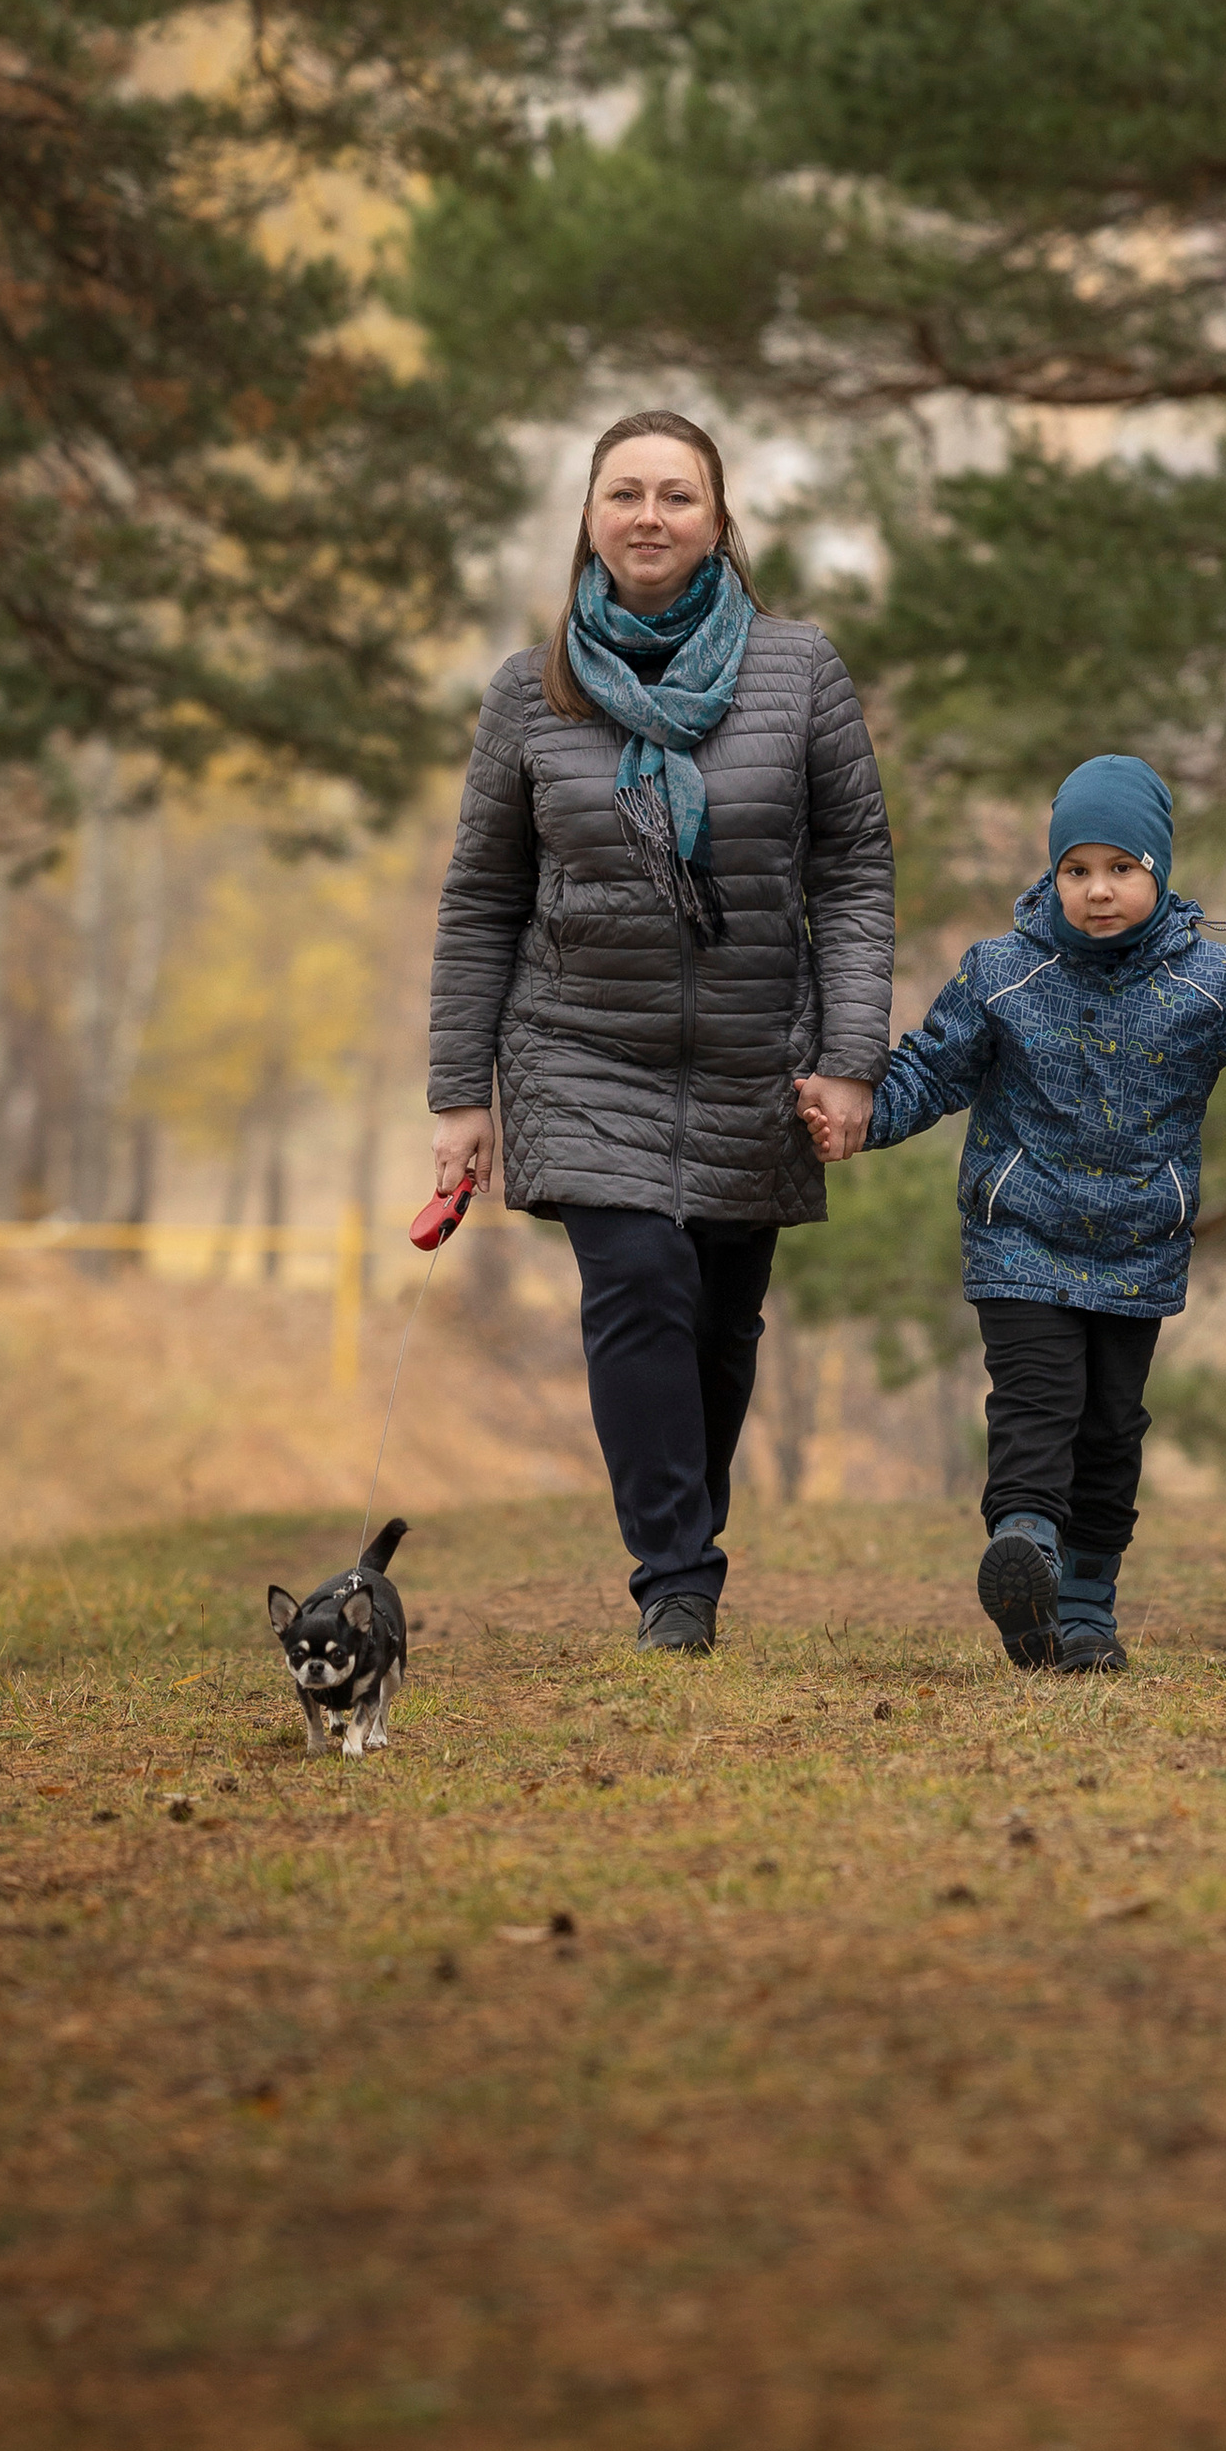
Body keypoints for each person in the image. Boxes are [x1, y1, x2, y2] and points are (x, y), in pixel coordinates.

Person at [802, 753, 1226, 1672]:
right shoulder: (1000, 974)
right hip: (1021, 1236)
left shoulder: (1210, 985)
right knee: (1038, 1406)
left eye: (1121, 869)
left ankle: (1086, 1611)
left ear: (1159, 871)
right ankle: (1025, 1554)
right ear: (1052, 874)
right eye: (1076, 870)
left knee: (1110, 1433)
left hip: (1139, 1247)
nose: (1098, 891)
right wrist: (856, 1123)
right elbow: (924, 1076)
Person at [428, 409, 893, 1652]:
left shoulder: (799, 670)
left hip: (756, 1054)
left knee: (718, 1327)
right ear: (587, 518)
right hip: (580, 1048)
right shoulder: (531, 694)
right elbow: (482, 895)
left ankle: (683, 1539)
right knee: (636, 1284)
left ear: (719, 521)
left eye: (676, 496)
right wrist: (459, 1093)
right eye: (624, 493)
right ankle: (676, 1582)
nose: (648, 516)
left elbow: (851, 870)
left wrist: (850, 1059)